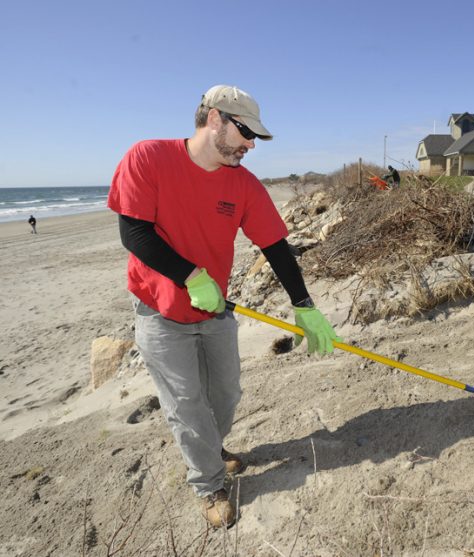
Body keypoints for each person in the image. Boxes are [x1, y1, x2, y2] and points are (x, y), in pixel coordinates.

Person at [107, 84, 340, 528]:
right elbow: (134, 233)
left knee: (226, 395)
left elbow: (275, 245)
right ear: (215, 119)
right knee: (187, 405)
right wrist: (191, 275)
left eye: (254, 137)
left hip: (216, 312)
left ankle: (211, 447)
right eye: (246, 133)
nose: (251, 145)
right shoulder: (147, 157)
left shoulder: (243, 184)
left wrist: (304, 305)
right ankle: (209, 483)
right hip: (160, 313)